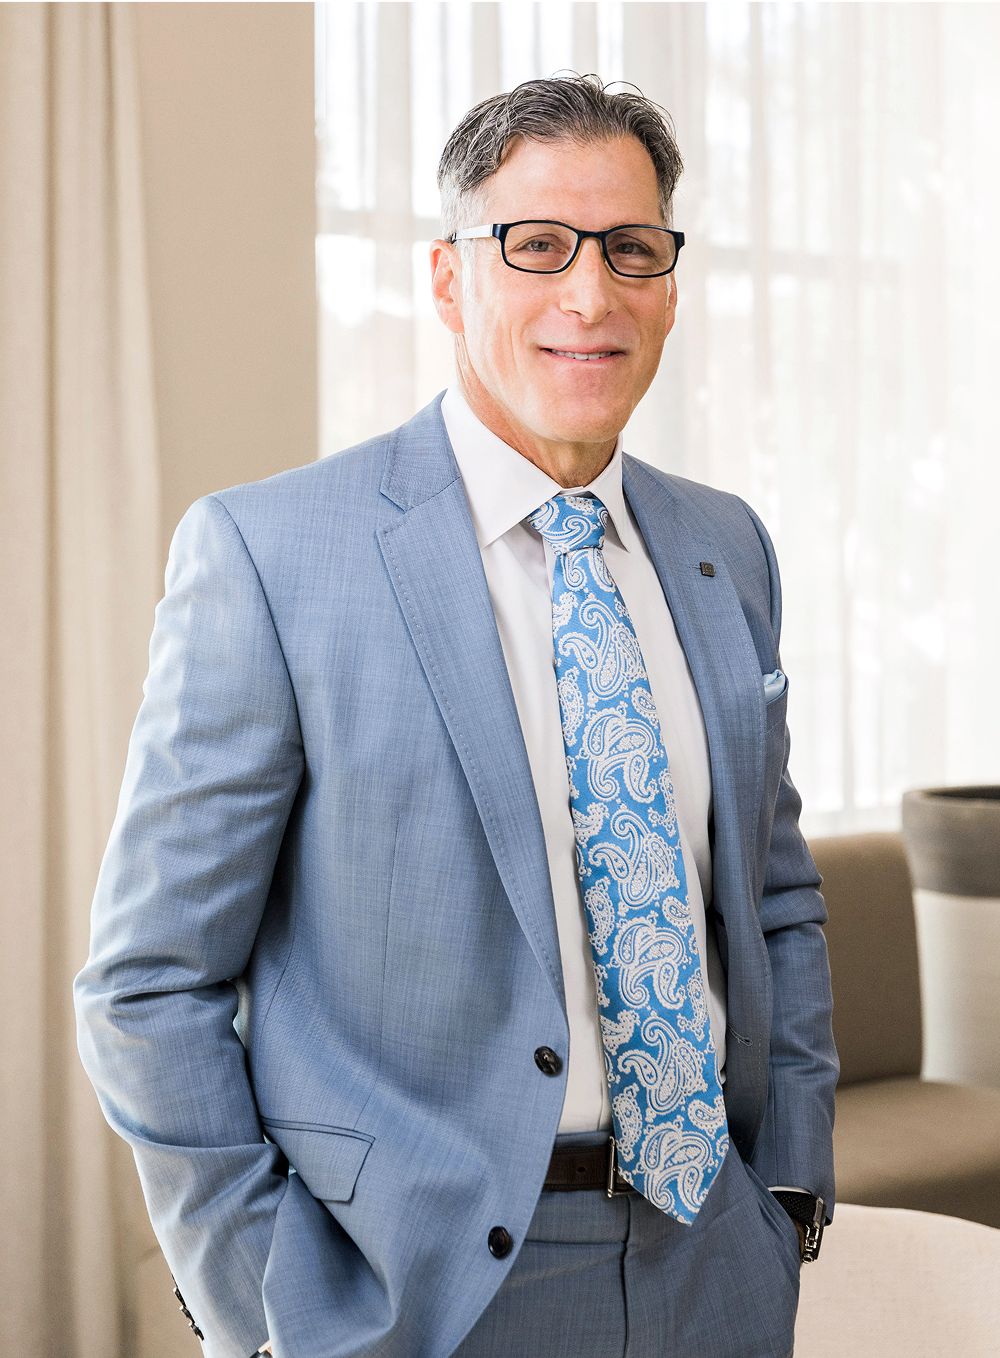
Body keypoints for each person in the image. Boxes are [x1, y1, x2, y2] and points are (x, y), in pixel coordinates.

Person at [74, 73, 838, 1358]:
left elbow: (773, 894)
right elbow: (148, 981)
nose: (588, 295)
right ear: (447, 277)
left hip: (712, 1257)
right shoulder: (271, 553)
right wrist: (271, 1298)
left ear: (668, 283)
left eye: (629, 248)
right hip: (417, 1292)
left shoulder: (727, 546)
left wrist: (789, 1185)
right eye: (535, 245)